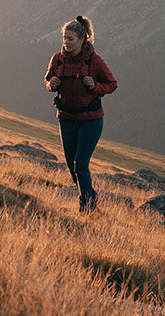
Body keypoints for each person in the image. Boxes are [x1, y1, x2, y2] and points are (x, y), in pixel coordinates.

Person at [44, 15, 117, 211]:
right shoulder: (57, 59)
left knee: (80, 166)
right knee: (72, 168)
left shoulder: (94, 61)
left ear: (82, 39)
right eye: (64, 38)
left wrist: (95, 86)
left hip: (90, 120)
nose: (66, 43)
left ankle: (87, 208)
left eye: (70, 39)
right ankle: (91, 195)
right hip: (66, 119)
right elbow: (48, 80)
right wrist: (51, 85)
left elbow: (112, 84)